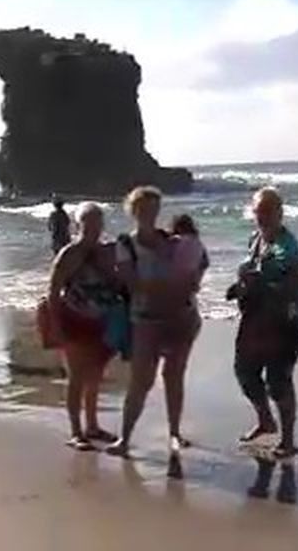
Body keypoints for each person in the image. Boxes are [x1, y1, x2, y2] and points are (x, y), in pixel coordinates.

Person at [106, 186, 203, 458]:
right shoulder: (126, 244)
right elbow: (133, 285)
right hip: (146, 320)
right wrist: (172, 286)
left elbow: (196, 268)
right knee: (141, 381)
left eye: (154, 208)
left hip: (180, 317)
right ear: (133, 211)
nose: (150, 213)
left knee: (174, 377)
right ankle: (124, 439)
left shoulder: (171, 240)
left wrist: (188, 282)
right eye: (144, 208)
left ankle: (175, 433)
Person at [227, 187, 298, 459]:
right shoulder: (255, 239)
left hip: (281, 319)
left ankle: (288, 440)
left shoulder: (287, 244)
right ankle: (265, 419)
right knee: (244, 371)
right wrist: (239, 286)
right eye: (258, 211)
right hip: (254, 317)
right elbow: (251, 272)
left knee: (278, 380)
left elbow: (291, 279)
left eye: (268, 211)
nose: (262, 216)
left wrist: (260, 281)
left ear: (280, 212)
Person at [47, 202, 122, 451]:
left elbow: (118, 283)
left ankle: (92, 425)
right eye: (88, 224)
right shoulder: (70, 254)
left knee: (95, 376)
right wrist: (56, 324)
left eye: (98, 224)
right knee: (77, 376)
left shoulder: (106, 252)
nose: (94, 229)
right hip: (74, 320)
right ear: (79, 225)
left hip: (101, 321)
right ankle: (76, 431)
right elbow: (53, 292)